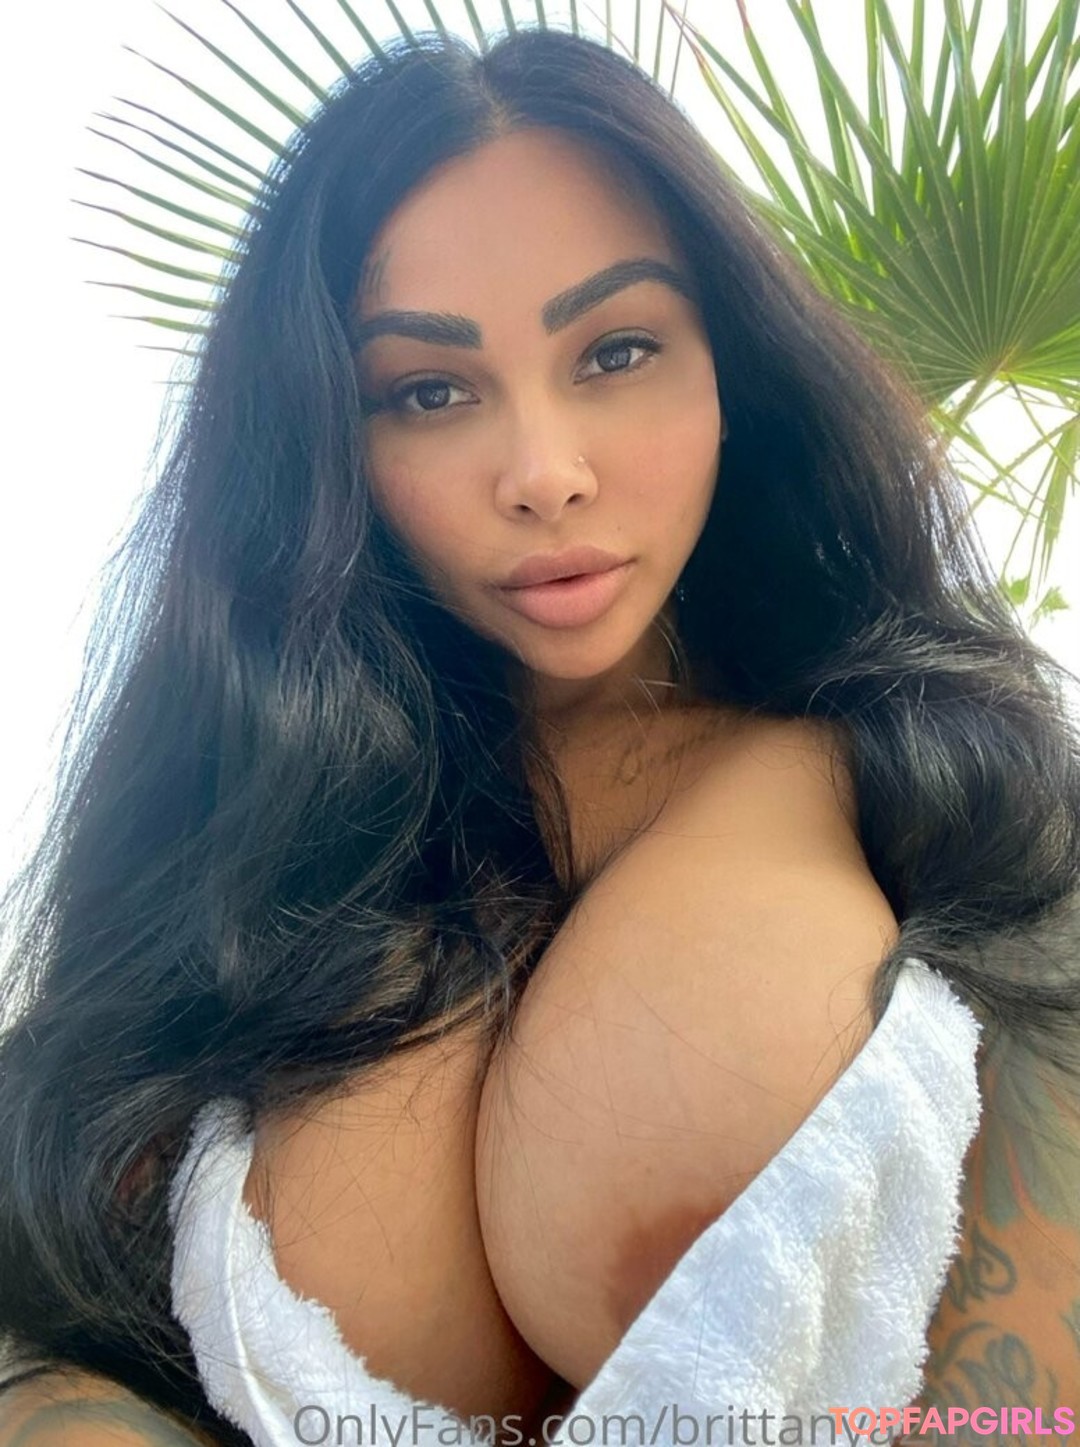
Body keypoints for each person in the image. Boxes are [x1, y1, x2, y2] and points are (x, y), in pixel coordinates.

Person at [1, 23, 1079, 1447]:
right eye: (430, 392)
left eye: (616, 350)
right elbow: (61, 1297)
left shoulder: (953, 781)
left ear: (733, 370)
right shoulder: (254, 858)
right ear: (330, 443)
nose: (543, 474)